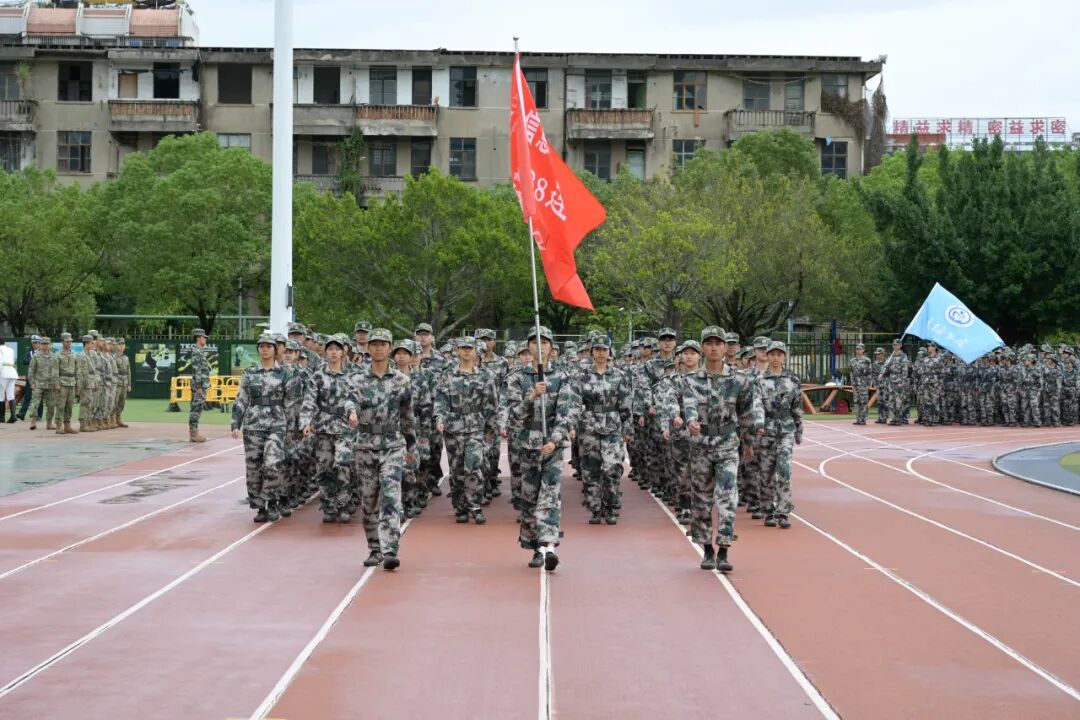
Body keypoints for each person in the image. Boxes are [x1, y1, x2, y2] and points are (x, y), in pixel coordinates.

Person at [679, 326, 763, 573]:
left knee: (727, 496)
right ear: (702, 348)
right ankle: (707, 548)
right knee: (701, 498)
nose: (714, 348)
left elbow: (746, 413)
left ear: (726, 347)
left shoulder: (739, 379)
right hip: (701, 444)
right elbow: (689, 405)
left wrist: (749, 443)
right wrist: (691, 420)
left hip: (727, 443)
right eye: (709, 343)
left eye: (718, 343)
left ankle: (724, 548)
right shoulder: (690, 380)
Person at [506, 325, 581, 571]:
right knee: (529, 498)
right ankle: (535, 547)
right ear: (528, 347)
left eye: (545, 342)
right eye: (534, 342)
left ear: (552, 347)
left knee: (550, 496)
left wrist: (555, 440)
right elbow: (513, 414)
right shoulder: (517, 377)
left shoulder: (562, 377)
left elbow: (565, 412)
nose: (540, 346)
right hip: (527, 445)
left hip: (552, 447)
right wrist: (531, 396)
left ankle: (548, 547)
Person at [349, 329, 415, 571]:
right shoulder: (357, 379)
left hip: (392, 445)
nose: (378, 348)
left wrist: (411, 445)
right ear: (368, 348)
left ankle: (390, 550)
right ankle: (374, 548)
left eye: (383, 344)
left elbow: (407, 415)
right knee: (369, 499)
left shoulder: (402, 380)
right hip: (365, 444)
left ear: (390, 348)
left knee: (391, 496)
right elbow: (349, 400)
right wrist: (351, 413)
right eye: (374, 344)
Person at [435, 336, 499, 525]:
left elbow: (491, 404)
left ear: (475, 351)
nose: (466, 351)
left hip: (475, 428)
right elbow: (440, 400)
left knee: (474, 467)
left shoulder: (485, 376)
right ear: (457, 351)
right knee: (456, 470)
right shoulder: (447, 375)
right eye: (463, 348)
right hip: (453, 428)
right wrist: (439, 418)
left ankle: (475, 505)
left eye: (469, 348)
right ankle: (460, 507)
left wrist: (490, 428)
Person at [301, 334, 360, 523]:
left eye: (337, 349)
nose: (334, 352)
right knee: (324, 467)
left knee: (343, 465)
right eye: (330, 349)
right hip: (323, 428)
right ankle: (328, 505)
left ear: (343, 352)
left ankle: (343, 504)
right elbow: (309, 401)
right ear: (326, 352)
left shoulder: (351, 376)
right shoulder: (318, 376)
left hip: (344, 428)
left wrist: (353, 413)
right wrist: (306, 422)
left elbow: (356, 398)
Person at [231, 334, 290, 522]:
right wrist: (235, 423)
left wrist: (292, 428)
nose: (265, 349)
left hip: (276, 424)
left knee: (272, 464)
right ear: (258, 349)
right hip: (253, 425)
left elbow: (291, 402)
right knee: (253, 467)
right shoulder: (249, 373)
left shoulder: (284, 373)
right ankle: (259, 507)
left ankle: (272, 501)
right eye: (261, 346)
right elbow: (242, 399)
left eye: (268, 346)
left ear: (275, 350)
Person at [576, 335, 633, 525]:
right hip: (589, 425)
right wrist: (571, 425)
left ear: (609, 352)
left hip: (612, 426)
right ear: (592, 352)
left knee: (612, 468)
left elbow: (625, 404)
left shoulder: (619, 375)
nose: (601, 353)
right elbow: (574, 402)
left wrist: (628, 429)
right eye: (597, 349)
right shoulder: (582, 376)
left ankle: (611, 506)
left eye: (604, 350)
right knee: (590, 469)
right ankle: (595, 508)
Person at [757, 341, 803, 529]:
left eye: (779, 354)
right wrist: (757, 426)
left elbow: (797, 407)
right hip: (766, 430)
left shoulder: (793, 380)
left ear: (784, 356)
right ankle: (768, 510)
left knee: (784, 469)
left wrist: (799, 430)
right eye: (772, 354)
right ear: (767, 356)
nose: (776, 357)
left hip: (786, 430)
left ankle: (783, 511)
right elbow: (756, 405)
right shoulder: (760, 380)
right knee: (766, 472)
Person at [27, 336, 56, 430]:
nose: (45, 346)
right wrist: (32, 383)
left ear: (50, 345)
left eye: (47, 344)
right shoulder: (36, 356)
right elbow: (31, 370)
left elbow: (56, 371)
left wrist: (56, 382)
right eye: (43, 344)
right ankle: (33, 421)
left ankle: (49, 423)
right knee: (35, 403)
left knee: (51, 404)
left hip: (50, 384)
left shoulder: (54, 356)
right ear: (41, 345)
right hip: (38, 383)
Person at [188, 328, 212, 443]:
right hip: (199, 386)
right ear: (198, 338)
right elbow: (196, 370)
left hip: (202, 385)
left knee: (198, 408)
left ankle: (195, 432)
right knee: (196, 408)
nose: (205, 339)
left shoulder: (199, 351)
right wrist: (198, 387)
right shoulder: (196, 352)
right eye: (204, 337)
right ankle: (194, 434)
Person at [53, 333, 79, 435]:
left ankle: (67, 425)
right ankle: (59, 426)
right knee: (60, 405)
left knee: (69, 405)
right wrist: (57, 383)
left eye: (70, 341)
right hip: (62, 383)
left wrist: (77, 384)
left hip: (72, 382)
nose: (69, 343)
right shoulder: (57, 355)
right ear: (62, 342)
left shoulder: (74, 354)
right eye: (67, 341)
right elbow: (55, 371)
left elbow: (77, 370)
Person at [0, 337, 17, 424]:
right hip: (12, 372)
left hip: (3, 373)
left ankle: (1, 418)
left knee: (1, 395)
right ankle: (13, 416)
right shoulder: (10, 350)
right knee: (11, 395)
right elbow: (13, 361)